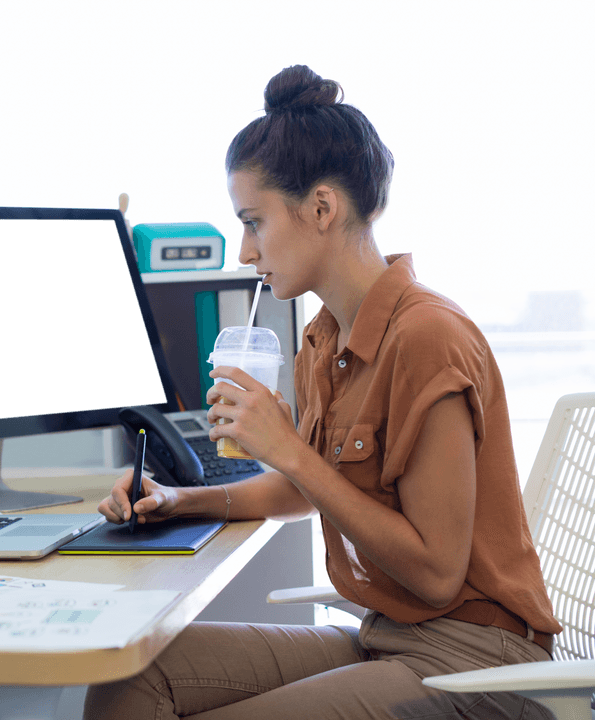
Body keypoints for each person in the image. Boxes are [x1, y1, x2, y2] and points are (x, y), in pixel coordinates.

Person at [84, 65, 561, 720]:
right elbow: (310, 488)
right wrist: (181, 501)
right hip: (390, 637)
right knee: (130, 677)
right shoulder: (324, 340)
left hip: (476, 661)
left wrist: (290, 451)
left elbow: (435, 572)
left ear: (321, 208)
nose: (247, 250)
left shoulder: (427, 339)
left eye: (254, 221)